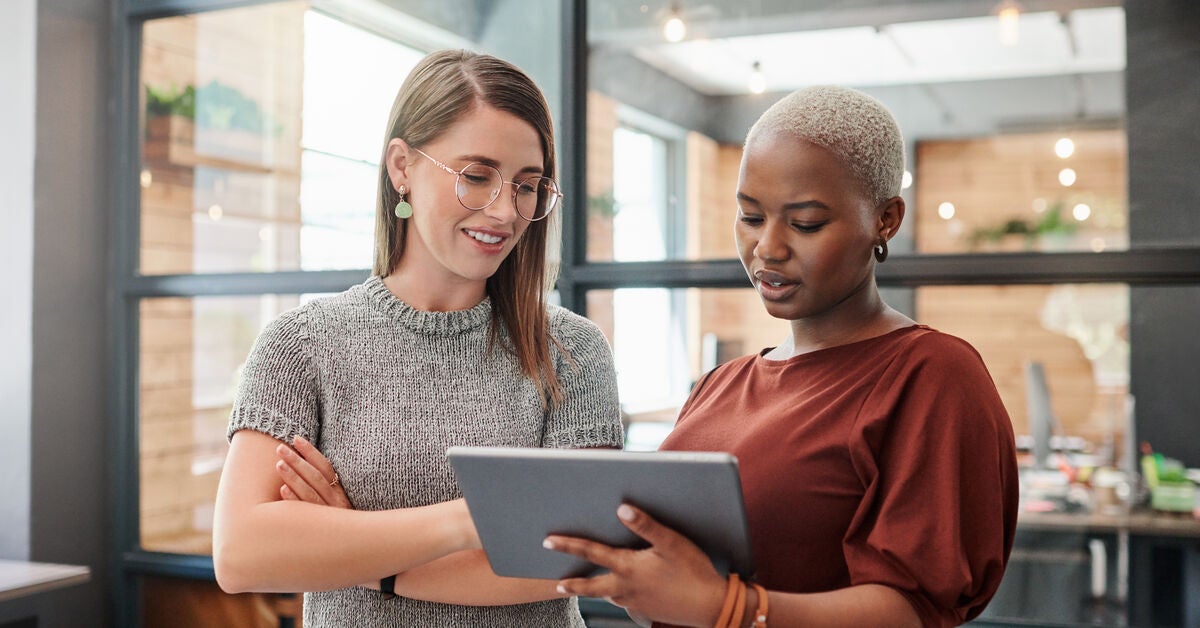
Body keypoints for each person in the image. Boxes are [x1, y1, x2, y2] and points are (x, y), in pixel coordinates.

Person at [543, 86, 1019, 627]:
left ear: (886, 220)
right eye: (750, 217)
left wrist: (726, 608)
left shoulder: (931, 376)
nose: (768, 247)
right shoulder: (720, 384)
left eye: (806, 223)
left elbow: (913, 608)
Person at [211, 49, 624, 627]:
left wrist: (361, 555)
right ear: (402, 166)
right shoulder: (301, 343)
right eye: (477, 176)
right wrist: (468, 520)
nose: (505, 211)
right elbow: (242, 554)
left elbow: (572, 559)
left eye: (527, 186)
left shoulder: (571, 350)